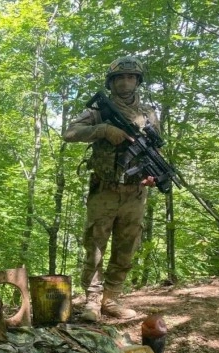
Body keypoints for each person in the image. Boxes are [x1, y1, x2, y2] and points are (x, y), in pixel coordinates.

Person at [63, 56, 159, 322]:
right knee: (95, 245)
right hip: (104, 190)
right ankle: (92, 301)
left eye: (131, 77)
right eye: (120, 78)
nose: (126, 82)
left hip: (135, 192)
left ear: (138, 81)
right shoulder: (99, 112)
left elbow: (155, 150)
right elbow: (70, 133)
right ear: (111, 82)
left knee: (126, 246)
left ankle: (111, 299)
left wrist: (151, 175)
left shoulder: (149, 114)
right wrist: (103, 130)